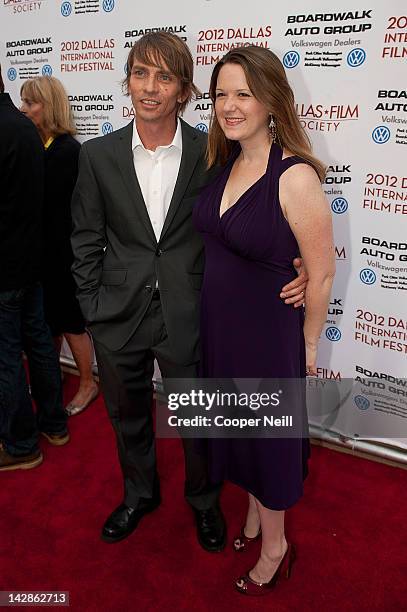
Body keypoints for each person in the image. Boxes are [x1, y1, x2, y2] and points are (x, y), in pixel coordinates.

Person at [70, 33, 307, 550]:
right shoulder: (97, 156)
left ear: (183, 89)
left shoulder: (214, 149)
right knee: (127, 415)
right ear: (127, 80)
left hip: (192, 311)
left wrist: (298, 264)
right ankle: (139, 495)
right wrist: (92, 307)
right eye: (139, 73)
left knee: (199, 420)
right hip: (117, 315)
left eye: (164, 77)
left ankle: (203, 502)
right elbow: (85, 237)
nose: (149, 88)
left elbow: (256, 211)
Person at [193, 46, 335, 593]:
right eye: (221, 93)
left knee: (266, 442)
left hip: (268, 338)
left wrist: (309, 346)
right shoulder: (225, 163)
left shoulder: (294, 176)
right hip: (223, 331)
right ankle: (253, 515)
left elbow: (319, 274)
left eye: (243, 94)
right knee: (238, 432)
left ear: (271, 100)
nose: (229, 106)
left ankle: (276, 546)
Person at [0, 66, 69, 471]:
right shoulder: (25, 127)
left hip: (7, 269)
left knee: (7, 355)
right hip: (29, 262)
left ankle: (22, 444)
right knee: (38, 343)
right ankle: (54, 424)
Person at [20, 77, 98, 416]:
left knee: (70, 322)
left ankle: (87, 383)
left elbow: (74, 214)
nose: (24, 109)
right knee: (44, 322)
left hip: (64, 255)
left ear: (49, 106)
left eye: (31, 103)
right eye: (23, 102)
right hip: (35, 254)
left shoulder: (68, 151)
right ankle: (47, 380)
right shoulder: (31, 145)